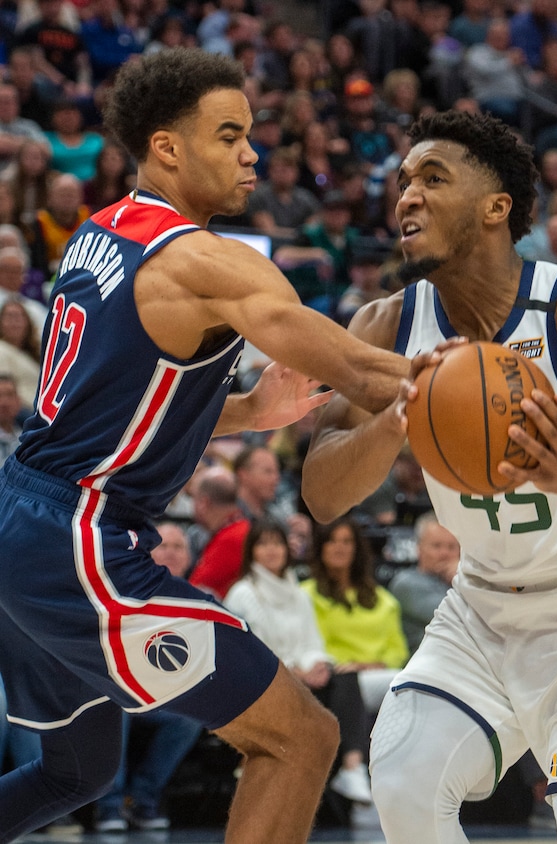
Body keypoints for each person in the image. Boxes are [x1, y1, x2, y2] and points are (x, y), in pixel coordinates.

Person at [0, 47, 412, 844]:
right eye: (230, 135)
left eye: (250, 134)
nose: (252, 152)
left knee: (75, 771)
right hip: (80, 541)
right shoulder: (200, 261)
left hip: (25, 514)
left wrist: (250, 409)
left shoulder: (101, 230)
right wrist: (447, 381)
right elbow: (356, 365)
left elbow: (115, 402)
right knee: (302, 737)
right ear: (168, 147)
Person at [301, 109, 557, 844]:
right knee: (405, 774)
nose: (405, 194)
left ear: (497, 207)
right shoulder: (384, 326)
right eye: (403, 180)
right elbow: (320, 495)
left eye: (432, 179)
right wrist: (397, 418)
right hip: (483, 608)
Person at [223, 517, 373, 805]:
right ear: (251, 551)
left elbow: (312, 642)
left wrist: (318, 665)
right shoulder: (242, 593)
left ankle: (353, 768)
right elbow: (246, 651)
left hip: (301, 679)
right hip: (263, 682)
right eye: (263, 544)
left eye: (277, 543)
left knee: (345, 679)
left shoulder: (298, 593)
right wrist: (292, 671)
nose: (272, 551)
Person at [94, 522, 203, 831]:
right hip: (120, 691)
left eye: (178, 547)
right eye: (164, 546)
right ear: (147, 553)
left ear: (189, 557)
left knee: (189, 718)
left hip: (166, 695)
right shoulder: (124, 594)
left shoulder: (201, 598)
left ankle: (143, 799)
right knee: (116, 707)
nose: (171, 552)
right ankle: (110, 805)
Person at [300, 515, 409, 714]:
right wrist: (349, 667)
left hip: (382, 673)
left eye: (346, 541)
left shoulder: (383, 598)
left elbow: (398, 650)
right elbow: (314, 644)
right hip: (336, 677)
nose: (339, 547)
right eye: (332, 541)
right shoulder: (305, 595)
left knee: (412, 686)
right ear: (320, 548)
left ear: (356, 548)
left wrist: (370, 666)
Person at [388, 510, 458, 654]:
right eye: (436, 546)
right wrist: (463, 579)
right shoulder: (406, 583)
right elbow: (455, 618)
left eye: (452, 547)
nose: (445, 553)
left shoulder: (458, 582)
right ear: (419, 548)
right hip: (423, 667)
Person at [187, 464, 250, 601]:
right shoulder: (241, 529)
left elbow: (195, 594)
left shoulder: (230, 539)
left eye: (193, 498)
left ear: (203, 503)